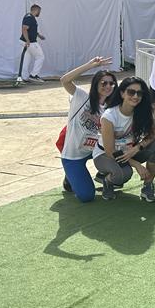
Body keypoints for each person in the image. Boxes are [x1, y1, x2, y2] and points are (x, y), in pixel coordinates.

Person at [93, 77, 155, 202]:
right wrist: (137, 164)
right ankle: (108, 181)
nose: (135, 96)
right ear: (122, 93)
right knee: (124, 174)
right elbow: (110, 151)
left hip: (129, 150)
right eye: (131, 92)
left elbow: (151, 135)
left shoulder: (144, 110)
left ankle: (148, 187)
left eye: (139, 93)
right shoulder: (109, 116)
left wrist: (137, 148)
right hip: (105, 155)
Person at [58, 56, 115, 202]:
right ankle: (70, 177)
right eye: (104, 83)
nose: (108, 86)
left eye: (111, 83)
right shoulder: (82, 97)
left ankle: (105, 176)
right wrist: (89, 65)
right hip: (73, 155)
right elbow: (65, 80)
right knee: (87, 196)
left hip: (95, 151)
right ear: (95, 84)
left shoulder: (111, 109)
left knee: (119, 157)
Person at [20, 4, 46, 82]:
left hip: (26, 42)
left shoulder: (31, 17)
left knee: (26, 60)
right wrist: (27, 40)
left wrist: (38, 35)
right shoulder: (29, 17)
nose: (39, 13)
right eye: (39, 11)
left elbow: (31, 29)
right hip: (30, 42)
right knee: (40, 57)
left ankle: (24, 78)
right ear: (36, 10)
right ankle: (33, 75)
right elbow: (24, 29)